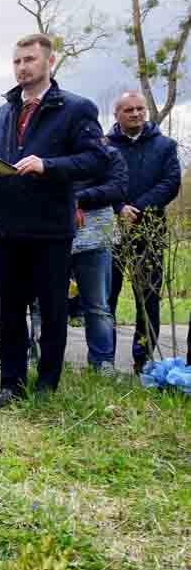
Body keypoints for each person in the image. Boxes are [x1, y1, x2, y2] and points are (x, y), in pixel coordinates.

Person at [0, 34, 109, 408]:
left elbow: (97, 161)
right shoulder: (1, 115)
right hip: (5, 227)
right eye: (16, 61)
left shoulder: (76, 109)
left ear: (50, 63)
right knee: (8, 313)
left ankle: (47, 384)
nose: (22, 67)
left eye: (29, 60)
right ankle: (10, 383)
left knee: (52, 310)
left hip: (50, 230)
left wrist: (48, 165)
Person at [106, 91, 182, 373]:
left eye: (140, 109)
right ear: (117, 115)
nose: (136, 114)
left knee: (147, 298)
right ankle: (104, 360)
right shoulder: (103, 145)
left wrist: (136, 208)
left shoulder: (164, 146)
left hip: (149, 230)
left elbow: (171, 182)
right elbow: (95, 178)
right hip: (111, 230)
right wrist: (118, 207)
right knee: (106, 298)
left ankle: (143, 359)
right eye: (129, 110)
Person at [70, 142, 128, 373]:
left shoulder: (110, 154)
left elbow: (117, 189)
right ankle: (43, 359)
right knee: (44, 304)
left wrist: (77, 199)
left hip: (96, 239)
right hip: (55, 236)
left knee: (97, 306)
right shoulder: (56, 151)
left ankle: (102, 363)